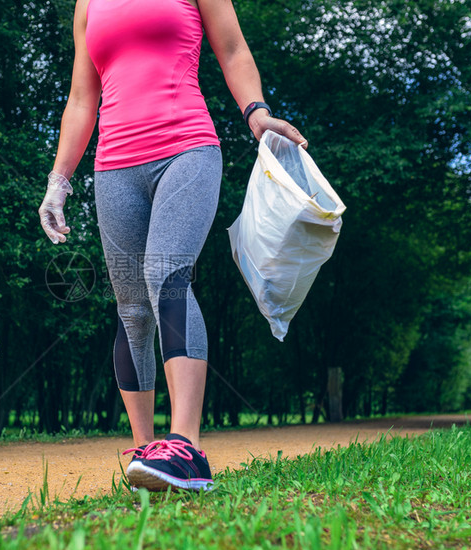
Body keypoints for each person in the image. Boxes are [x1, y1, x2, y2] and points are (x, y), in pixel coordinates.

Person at [39, 0, 308, 491]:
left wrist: (257, 113)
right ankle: (146, 453)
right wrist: (58, 180)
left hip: (186, 148)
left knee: (166, 276)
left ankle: (186, 447)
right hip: (114, 167)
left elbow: (232, 49)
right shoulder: (88, 4)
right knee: (131, 310)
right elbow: (83, 97)